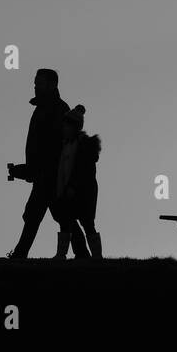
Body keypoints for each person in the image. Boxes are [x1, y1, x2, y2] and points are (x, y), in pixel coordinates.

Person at [7, 68, 88, 259]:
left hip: (50, 175)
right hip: (45, 174)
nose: (35, 86)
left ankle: (20, 254)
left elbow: (55, 147)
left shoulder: (58, 110)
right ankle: (82, 254)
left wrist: (34, 170)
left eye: (39, 83)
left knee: (47, 216)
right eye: (35, 83)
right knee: (49, 216)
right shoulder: (44, 109)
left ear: (52, 85)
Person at [57, 104, 103, 258]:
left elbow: (83, 170)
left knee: (87, 224)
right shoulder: (66, 145)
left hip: (84, 192)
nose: (63, 128)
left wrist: (73, 186)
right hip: (70, 190)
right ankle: (61, 254)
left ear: (74, 127)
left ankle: (97, 256)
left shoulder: (83, 145)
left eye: (66, 125)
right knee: (66, 222)